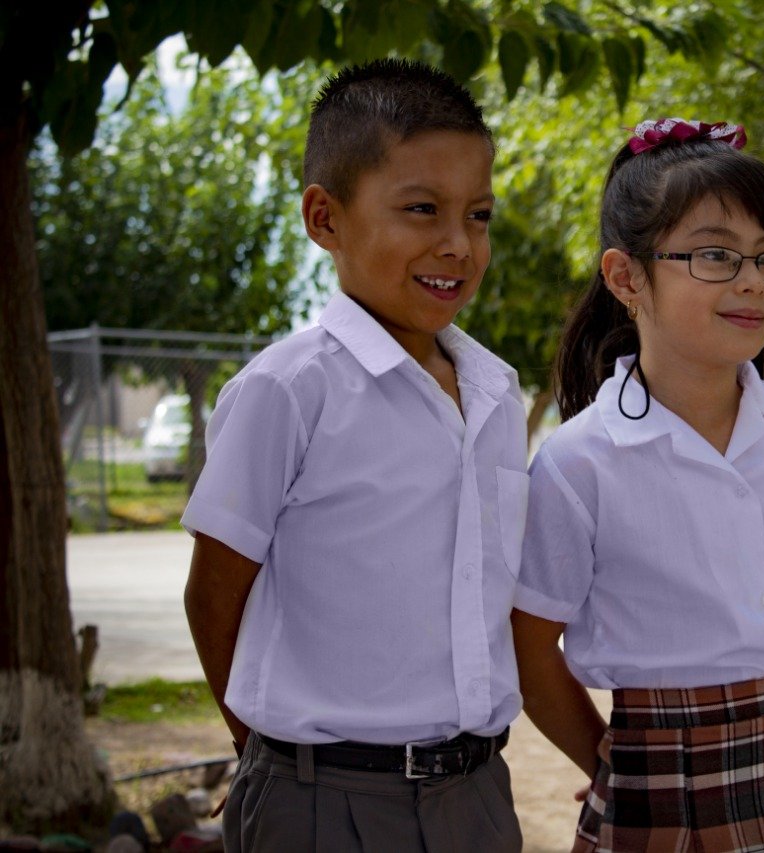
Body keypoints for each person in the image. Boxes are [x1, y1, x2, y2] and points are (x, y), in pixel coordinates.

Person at [182, 59, 525, 852]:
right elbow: (213, 594)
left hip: (477, 796)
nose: (458, 244)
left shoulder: (496, 392)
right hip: (323, 803)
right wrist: (272, 759)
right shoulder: (288, 390)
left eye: (478, 215)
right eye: (421, 209)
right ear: (324, 218)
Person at [513, 118, 764, 852]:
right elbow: (529, 644)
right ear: (626, 278)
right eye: (714, 255)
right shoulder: (579, 462)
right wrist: (608, 762)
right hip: (652, 772)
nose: (752, 281)